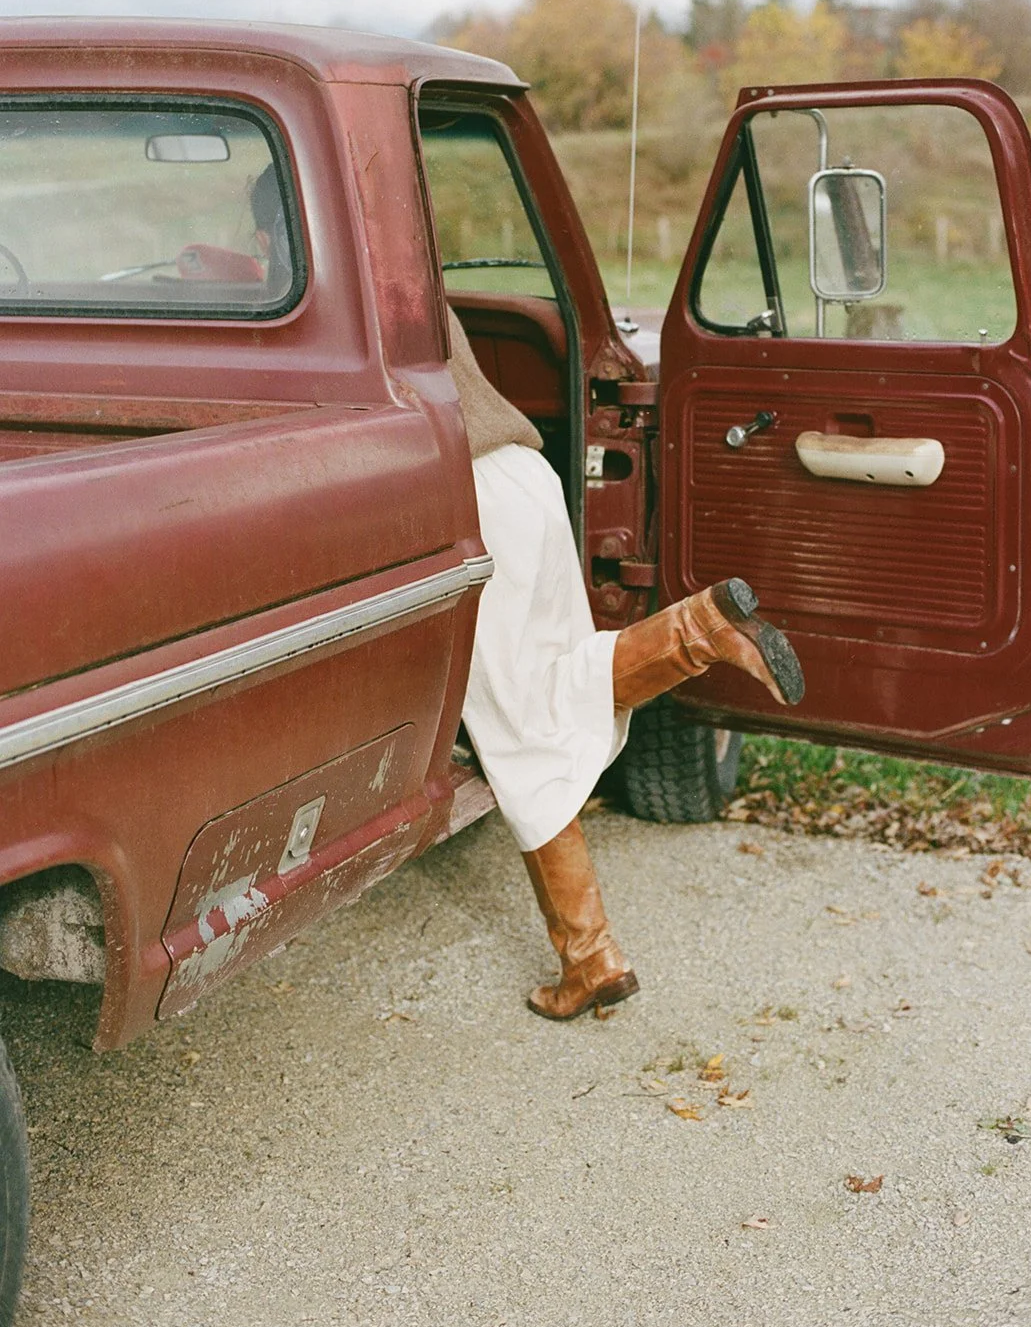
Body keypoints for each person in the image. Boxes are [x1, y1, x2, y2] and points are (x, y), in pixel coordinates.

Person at [250, 166, 804, 1020]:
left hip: (464, 500)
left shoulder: (304, 307)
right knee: (550, 687)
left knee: (517, 737)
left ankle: (589, 958)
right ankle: (696, 633)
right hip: (524, 479)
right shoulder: (397, 278)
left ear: (281, 237)